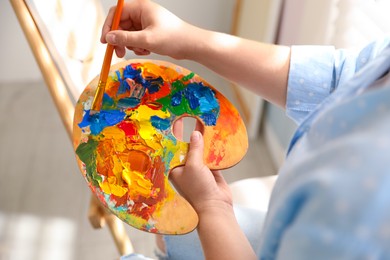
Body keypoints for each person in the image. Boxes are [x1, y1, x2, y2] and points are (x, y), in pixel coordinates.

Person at [101, 0, 390, 259]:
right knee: (174, 235)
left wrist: (212, 206)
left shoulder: (366, 204)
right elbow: (341, 77)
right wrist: (186, 39)